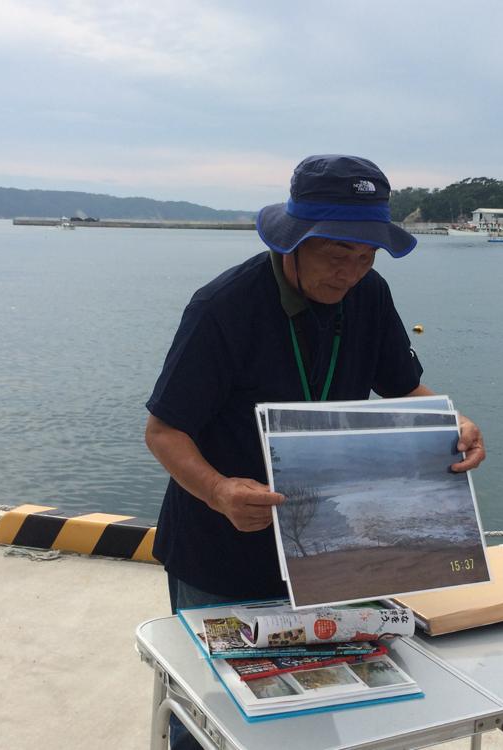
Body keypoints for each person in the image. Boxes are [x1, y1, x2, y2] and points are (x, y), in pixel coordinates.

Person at [145, 154, 485, 745]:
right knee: (210, 715)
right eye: (336, 256)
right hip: (224, 550)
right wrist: (220, 490)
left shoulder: (368, 294)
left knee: (326, 712)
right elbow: (164, 431)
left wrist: (451, 419)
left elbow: (402, 384)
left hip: (327, 551)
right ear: (294, 241)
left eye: (366, 256)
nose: (350, 273)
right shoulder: (223, 308)